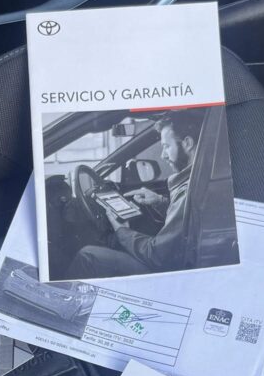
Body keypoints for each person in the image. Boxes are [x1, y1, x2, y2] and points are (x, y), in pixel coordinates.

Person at [68, 111, 200, 279]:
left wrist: (121, 230)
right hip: (175, 261)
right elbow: (187, 219)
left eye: (166, 146)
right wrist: (159, 201)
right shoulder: (195, 181)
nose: (163, 155)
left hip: (168, 272)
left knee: (88, 256)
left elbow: (156, 255)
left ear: (187, 143)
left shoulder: (187, 190)